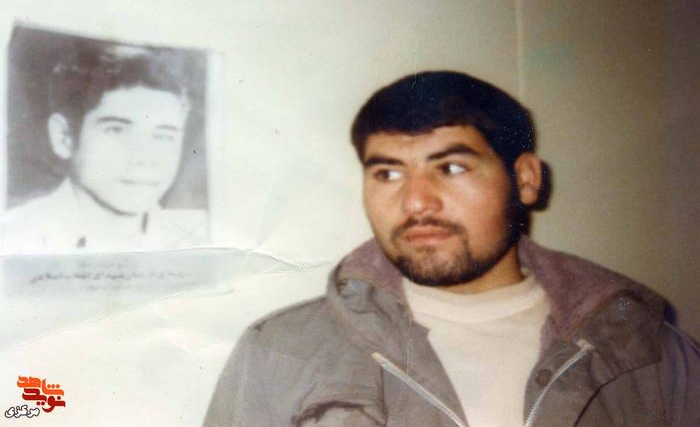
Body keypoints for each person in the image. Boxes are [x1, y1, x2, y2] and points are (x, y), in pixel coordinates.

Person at [204, 71, 699, 426]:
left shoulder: (651, 353)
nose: (416, 202)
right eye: (388, 173)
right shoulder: (280, 353)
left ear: (525, 179)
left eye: (452, 167)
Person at [0, 46, 207, 254]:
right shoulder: (13, 238)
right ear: (64, 137)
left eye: (163, 136)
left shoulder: (201, 238)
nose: (144, 159)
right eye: (116, 130)